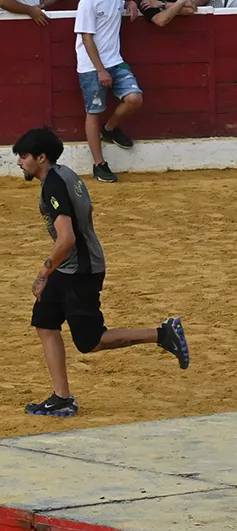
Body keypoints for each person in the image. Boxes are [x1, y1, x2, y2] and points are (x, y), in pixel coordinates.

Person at [13, 126, 189, 419]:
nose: (20, 162)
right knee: (44, 322)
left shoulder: (53, 185)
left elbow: (66, 239)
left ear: (41, 157)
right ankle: (61, 398)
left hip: (78, 270)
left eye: (24, 156)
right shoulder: (65, 174)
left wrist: (44, 272)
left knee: (90, 341)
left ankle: (162, 334)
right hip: (72, 266)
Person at [72, 0, 142, 184]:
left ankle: (110, 128)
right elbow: (87, 39)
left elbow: (121, 3)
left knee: (134, 98)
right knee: (93, 112)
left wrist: (131, 3)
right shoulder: (88, 2)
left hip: (115, 60)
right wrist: (101, 70)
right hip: (92, 66)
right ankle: (98, 164)